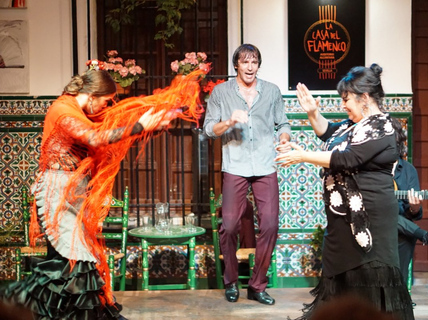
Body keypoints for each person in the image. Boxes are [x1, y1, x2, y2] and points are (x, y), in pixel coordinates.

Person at [0, 68, 189, 319]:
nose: (106, 105)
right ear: (91, 94)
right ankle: (11, 302)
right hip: (57, 195)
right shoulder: (63, 110)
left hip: (73, 195)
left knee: (70, 265)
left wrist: (151, 125)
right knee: (73, 263)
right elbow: (95, 137)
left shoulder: (81, 112)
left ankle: (85, 313)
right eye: (106, 99)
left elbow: (113, 131)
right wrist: (139, 125)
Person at [276, 64, 414, 319]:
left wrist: (302, 155)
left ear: (364, 98)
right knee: (340, 285)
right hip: (342, 224)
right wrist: (312, 112)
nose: (343, 105)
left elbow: (348, 158)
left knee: (369, 285)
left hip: (371, 222)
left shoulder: (382, 126)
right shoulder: (354, 125)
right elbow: (328, 132)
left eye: (346, 99)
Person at [203, 43, 291, 305]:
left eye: (254, 62)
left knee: (270, 225)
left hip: (265, 166)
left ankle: (257, 284)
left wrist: (284, 138)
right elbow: (209, 129)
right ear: (236, 66)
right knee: (229, 226)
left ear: (258, 65)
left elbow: (283, 123)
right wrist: (229, 121)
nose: (250, 67)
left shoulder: (272, 91)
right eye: (245, 62)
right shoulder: (221, 93)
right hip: (236, 166)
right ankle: (231, 281)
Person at [392, 118, 428, 287]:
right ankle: (425, 236)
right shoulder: (372, 169)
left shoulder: (408, 170)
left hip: (402, 233)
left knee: (398, 282)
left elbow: (414, 213)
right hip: (376, 231)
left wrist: (415, 207)